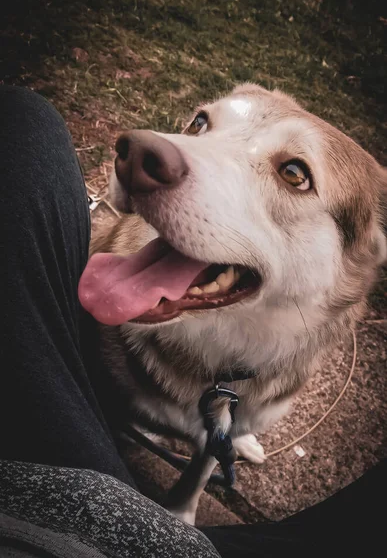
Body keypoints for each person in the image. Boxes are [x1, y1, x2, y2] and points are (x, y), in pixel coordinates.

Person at [0, 85, 385, 558]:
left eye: (292, 174)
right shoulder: (114, 325)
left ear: (363, 252)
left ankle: (202, 474)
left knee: (24, 118)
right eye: (202, 124)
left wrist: (186, 500)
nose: (166, 147)